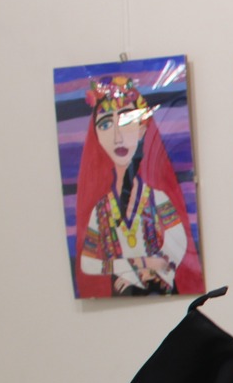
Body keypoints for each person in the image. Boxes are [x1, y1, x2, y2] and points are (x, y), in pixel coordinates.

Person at [73, 74, 205, 297]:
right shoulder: (102, 209)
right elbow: (87, 262)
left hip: (160, 291)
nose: (117, 137)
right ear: (96, 134)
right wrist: (140, 264)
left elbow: (179, 245)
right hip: (121, 295)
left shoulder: (157, 198)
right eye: (106, 124)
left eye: (126, 122)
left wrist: (144, 270)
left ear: (142, 129)